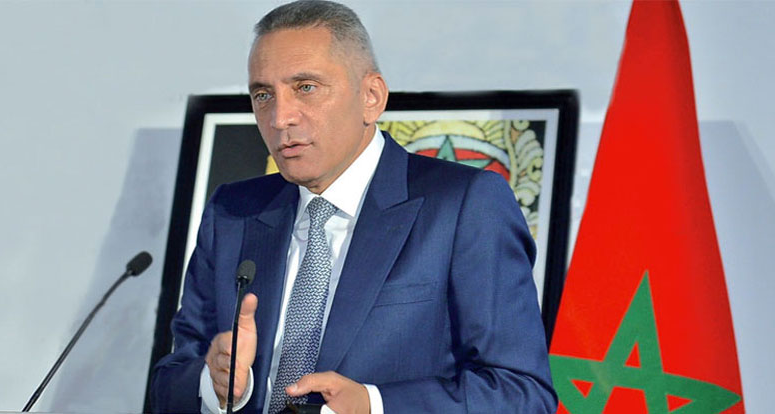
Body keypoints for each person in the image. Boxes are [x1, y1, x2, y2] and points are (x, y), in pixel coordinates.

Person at [151, 1, 556, 413]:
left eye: (305, 87)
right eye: (263, 95)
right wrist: (214, 384)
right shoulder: (232, 213)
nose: (279, 117)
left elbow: (522, 393)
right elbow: (169, 382)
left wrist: (375, 405)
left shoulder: (466, 205)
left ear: (371, 97)